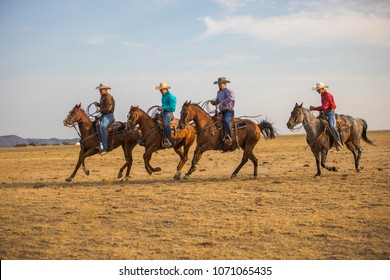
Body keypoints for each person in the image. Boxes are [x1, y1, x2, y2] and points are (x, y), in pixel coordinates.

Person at [309, 82, 342, 150]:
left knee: (332, 127)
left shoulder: (327, 95)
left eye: (318, 89)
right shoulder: (322, 95)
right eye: (317, 89)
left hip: (330, 113)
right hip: (325, 112)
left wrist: (314, 108)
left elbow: (325, 107)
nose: (317, 91)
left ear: (322, 89)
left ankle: (338, 141)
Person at [211, 77, 235, 145]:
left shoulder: (228, 91)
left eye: (220, 84)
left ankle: (230, 137)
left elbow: (231, 98)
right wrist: (214, 102)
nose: (219, 85)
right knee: (213, 121)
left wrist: (222, 102)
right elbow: (217, 101)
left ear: (225, 83)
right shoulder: (218, 92)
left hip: (228, 111)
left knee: (225, 121)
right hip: (221, 111)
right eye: (218, 84)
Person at [155, 82, 177, 148]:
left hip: (168, 113)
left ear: (165, 89)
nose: (160, 91)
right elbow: (165, 105)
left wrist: (163, 107)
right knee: (153, 120)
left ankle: (169, 140)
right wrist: (161, 107)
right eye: (160, 90)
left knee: (166, 124)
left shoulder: (171, 96)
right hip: (163, 112)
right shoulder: (163, 96)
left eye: (161, 90)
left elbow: (173, 108)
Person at [95, 83, 115, 152]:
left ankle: (104, 146)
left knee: (102, 127)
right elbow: (104, 106)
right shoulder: (102, 96)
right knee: (95, 122)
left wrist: (99, 110)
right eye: (99, 90)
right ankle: (98, 142)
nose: (100, 91)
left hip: (109, 115)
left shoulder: (108, 97)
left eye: (101, 90)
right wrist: (98, 104)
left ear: (106, 90)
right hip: (103, 115)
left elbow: (108, 108)